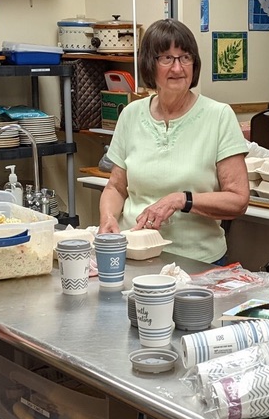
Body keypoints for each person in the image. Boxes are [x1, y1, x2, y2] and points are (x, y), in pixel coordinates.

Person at [99, 18, 249, 263]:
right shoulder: (131, 115)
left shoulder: (219, 116)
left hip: (198, 261)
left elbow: (238, 199)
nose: (178, 68)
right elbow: (116, 187)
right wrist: (108, 219)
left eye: (185, 57)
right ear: (150, 64)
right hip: (135, 254)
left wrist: (182, 199)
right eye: (167, 58)